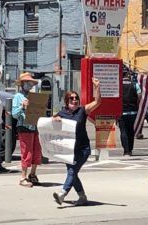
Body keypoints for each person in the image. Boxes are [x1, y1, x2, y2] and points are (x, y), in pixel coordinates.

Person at [53, 78, 101, 206]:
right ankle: (82, 197)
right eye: (71, 98)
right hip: (68, 150)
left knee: (72, 172)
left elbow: (97, 102)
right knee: (73, 174)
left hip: (82, 149)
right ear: (67, 101)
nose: (74, 100)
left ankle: (62, 193)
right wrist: (55, 118)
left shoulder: (82, 111)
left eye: (76, 98)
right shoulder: (62, 113)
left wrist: (96, 87)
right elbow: (51, 123)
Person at [12, 72, 41, 187]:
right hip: (24, 126)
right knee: (27, 151)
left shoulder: (33, 96)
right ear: (22, 84)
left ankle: (32, 174)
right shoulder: (17, 97)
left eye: (31, 83)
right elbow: (14, 114)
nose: (29, 85)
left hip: (35, 125)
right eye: (27, 82)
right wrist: (22, 106)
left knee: (37, 151)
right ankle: (23, 176)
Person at [118, 65, 141, 156]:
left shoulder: (118, 84)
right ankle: (130, 149)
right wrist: (136, 104)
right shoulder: (134, 84)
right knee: (130, 130)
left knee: (123, 131)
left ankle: (126, 151)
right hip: (133, 111)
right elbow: (140, 96)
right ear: (127, 74)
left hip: (121, 111)